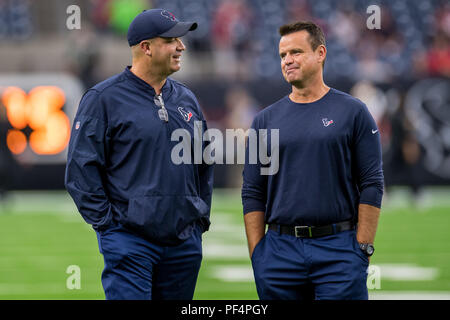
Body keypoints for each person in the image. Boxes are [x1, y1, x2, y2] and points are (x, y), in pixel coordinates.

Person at [65, 9, 214, 300]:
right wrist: (111, 228)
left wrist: (198, 220)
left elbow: (203, 164)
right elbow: (81, 170)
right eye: (172, 40)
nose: (181, 46)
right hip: (130, 241)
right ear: (146, 47)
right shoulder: (103, 99)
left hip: (183, 244)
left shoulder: (186, 98)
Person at [241, 21, 384, 300]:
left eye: (296, 52)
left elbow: (372, 183)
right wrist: (258, 255)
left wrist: (362, 248)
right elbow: (253, 192)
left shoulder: (353, 112)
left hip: (339, 248)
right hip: (279, 252)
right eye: (282, 55)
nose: (287, 61)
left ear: (320, 53)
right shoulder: (264, 120)